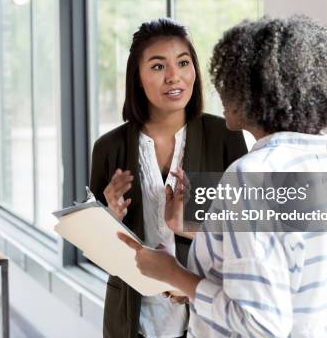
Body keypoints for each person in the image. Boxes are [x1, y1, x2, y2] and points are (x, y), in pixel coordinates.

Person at [119, 15, 327, 337]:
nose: (220, 91)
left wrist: (172, 273)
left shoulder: (249, 177)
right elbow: (291, 279)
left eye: (229, 81)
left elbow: (260, 325)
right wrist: (195, 242)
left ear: (255, 92)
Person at [89, 18, 247, 338]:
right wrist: (110, 219)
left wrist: (188, 229)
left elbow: (244, 234)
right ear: (138, 78)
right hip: (135, 320)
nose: (174, 76)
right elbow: (96, 251)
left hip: (206, 315)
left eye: (183, 63)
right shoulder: (109, 148)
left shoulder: (224, 137)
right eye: (158, 66)